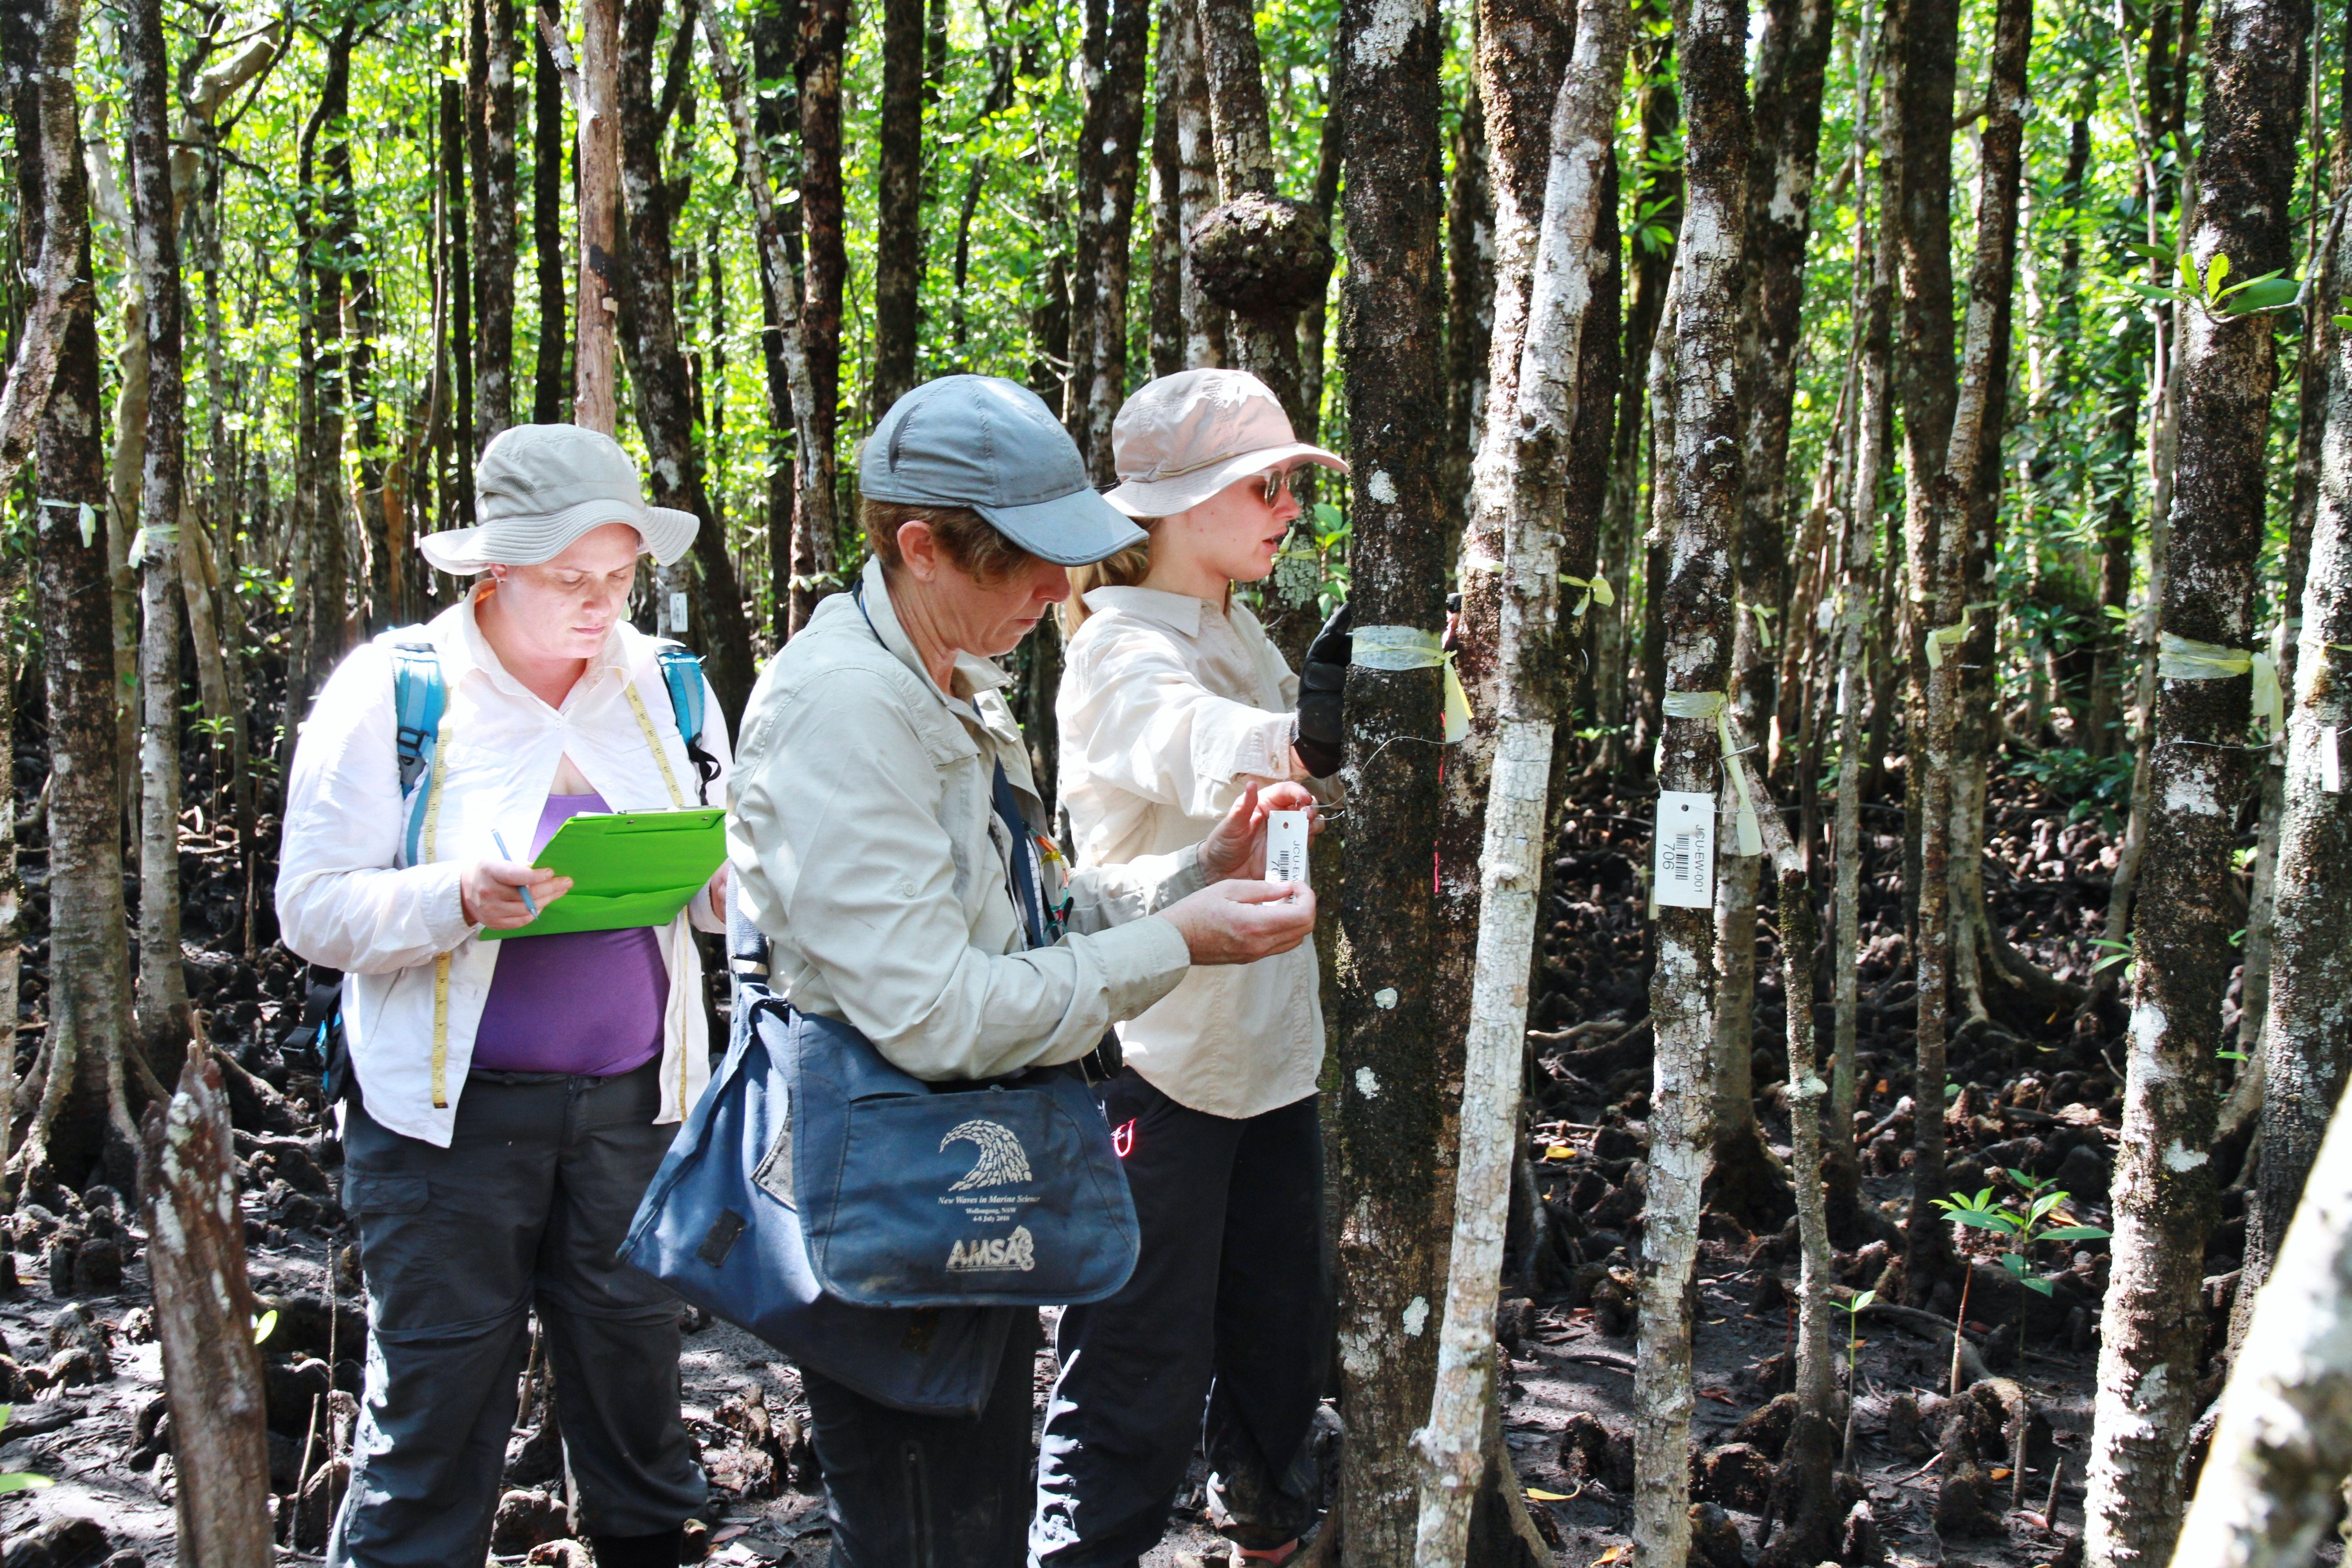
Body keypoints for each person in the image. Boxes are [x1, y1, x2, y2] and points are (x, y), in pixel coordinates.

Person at [727, 373, 1320, 1568]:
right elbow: (939, 1011)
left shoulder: (950, 687)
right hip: (880, 1196)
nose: (1060, 591)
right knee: (925, 1535)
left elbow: (1036, 923)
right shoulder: (848, 710)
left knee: (976, 1523)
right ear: (921, 549)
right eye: (1028, 562)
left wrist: (1196, 872)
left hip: (963, 1185)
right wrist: (1182, 940)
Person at [277, 424, 732, 1568]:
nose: (602, 604)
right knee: (434, 1414)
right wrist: (455, 899)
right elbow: (312, 909)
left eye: (621, 577)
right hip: (446, 1132)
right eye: (572, 581)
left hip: (635, 1111)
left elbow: (738, 897)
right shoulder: (396, 693)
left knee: (640, 1412)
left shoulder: (668, 688)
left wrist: (732, 888)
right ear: (494, 574)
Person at [1033, 368, 1353, 1568]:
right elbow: (1196, 742)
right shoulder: (1119, 647)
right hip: (1158, 1067)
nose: (1285, 508)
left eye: (1288, 486)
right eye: (1262, 485)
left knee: (1279, 1363)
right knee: (1134, 1376)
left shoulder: (1239, 623)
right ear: (1174, 504)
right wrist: (1299, 734)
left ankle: (1266, 1533)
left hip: (1274, 1058)